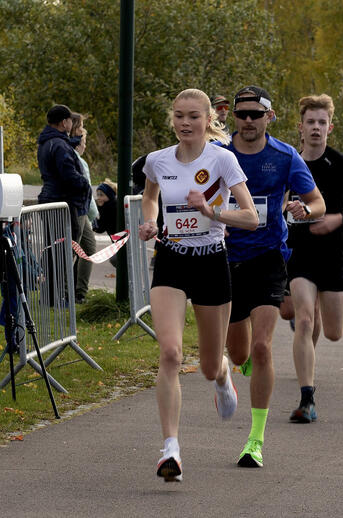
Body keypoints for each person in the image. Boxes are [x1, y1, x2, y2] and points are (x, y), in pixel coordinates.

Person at [137, 88, 258, 482]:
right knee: (170, 353)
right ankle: (170, 448)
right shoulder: (157, 161)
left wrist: (211, 210)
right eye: (178, 116)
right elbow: (150, 197)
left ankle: (223, 375)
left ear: (208, 120)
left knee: (207, 366)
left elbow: (251, 217)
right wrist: (151, 220)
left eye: (193, 116)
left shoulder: (222, 159)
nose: (185, 123)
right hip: (171, 259)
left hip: (210, 262)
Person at [221, 85, 325, 467]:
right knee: (239, 352)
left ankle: (255, 441)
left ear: (270, 116)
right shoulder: (218, 153)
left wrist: (305, 211)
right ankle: (242, 366)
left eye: (255, 114)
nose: (248, 121)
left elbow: (319, 202)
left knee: (263, 347)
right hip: (225, 258)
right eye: (241, 114)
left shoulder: (284, 155)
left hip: (268, 258)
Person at [287, 94, 343, 423]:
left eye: (322, 123)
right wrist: (288, 209)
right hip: (299, 250)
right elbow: (278, 201)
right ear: (301, 127)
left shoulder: (338, 163)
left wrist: (340, 218)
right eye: (311, 122)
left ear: (330, 127)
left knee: (334, 331)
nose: (316, 128)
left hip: (333, 250)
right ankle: (306, 399)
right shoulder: (290, 161)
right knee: (305, 321)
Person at [37, 104, 92, 243]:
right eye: (70, 120)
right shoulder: (60, 145)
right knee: (65, 248)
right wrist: (84, 183)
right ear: (64, 122)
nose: (71, 123)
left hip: (49, 199)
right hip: (62, 201)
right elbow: (69, 175)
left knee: (53, 248)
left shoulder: (45, 143)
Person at [69, 113, 97, 304]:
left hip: (80, 209)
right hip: (81, 210)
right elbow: (86, 189)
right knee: (80, 248)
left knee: (84, 247)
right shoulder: (78, 160)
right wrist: (95, 213)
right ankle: (78, 292)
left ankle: (76, 290)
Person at [93, 179, 118, 267]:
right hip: (118, 241)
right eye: (98, 194)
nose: (99, 197)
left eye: (102, 195)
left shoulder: (110, 208)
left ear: (109, 195)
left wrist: (93, 222)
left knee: (115, 260)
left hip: (122, 242)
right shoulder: (110, 205)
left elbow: (101, 228)